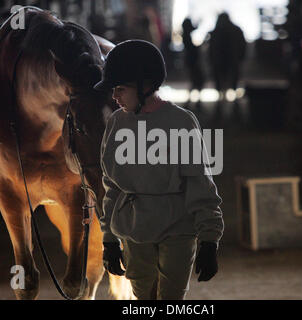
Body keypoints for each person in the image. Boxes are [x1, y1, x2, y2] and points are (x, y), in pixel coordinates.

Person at [94, 40, 224, 300]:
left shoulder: (181, 122)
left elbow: (199, 182)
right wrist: (109, 239)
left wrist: (210, 238)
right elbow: (111, 186)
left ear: (145, 86)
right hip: (134, 230)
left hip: (177, 229)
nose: (114, 96)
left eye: (120, 89)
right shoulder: (117, 123)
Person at [208, 12, 247, 98]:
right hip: (231, 60)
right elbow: (243, 45)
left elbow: (212, 48)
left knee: (223, 82)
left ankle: (223, 103)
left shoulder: (216, 31)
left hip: (223, 61)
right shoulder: (236, 30)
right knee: (232, 82)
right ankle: (233, 104)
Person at [182, 18, 205, 102]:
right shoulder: (186, 36)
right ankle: (195, 102)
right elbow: (192, 49)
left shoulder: (186, 34)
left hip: (192, 62)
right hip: (193, 62)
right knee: (198, 81)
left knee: (196, 82)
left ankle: (192, 102)